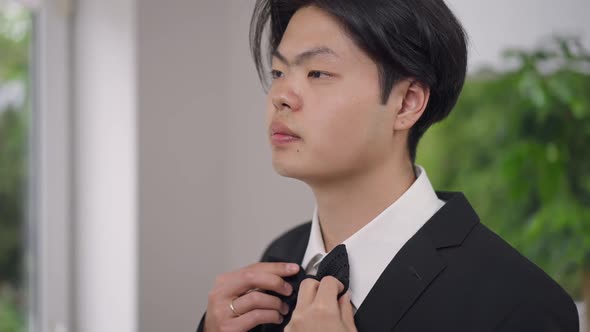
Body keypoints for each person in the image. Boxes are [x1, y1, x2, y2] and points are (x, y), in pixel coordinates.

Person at [197, 0, 580, 331]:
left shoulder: (522, 305)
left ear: (407, 103)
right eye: (279, 73)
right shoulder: (278, 263)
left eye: (318, 73)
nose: (280, 95)